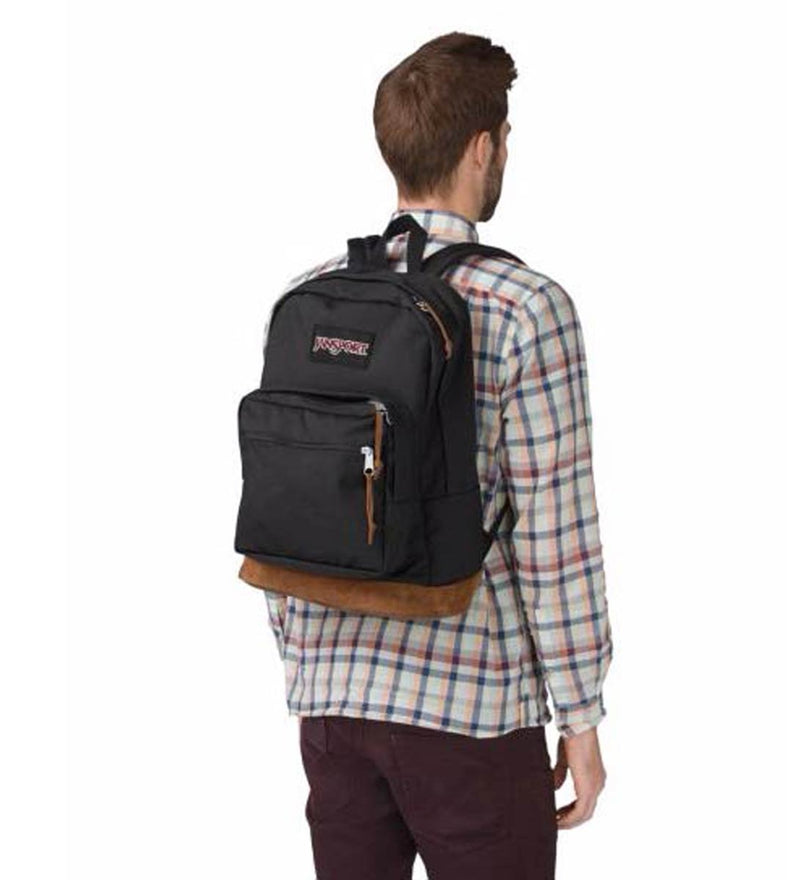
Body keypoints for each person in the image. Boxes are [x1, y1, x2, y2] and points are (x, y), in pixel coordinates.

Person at [262, 31, 613, 880]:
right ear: (483, 147)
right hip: (473, 713)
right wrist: (581, 715)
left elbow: (283, 503)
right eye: (506, 138)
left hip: (333, 712)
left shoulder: (307, 298)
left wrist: (310, 668)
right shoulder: (528, 308)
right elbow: (555, 538)